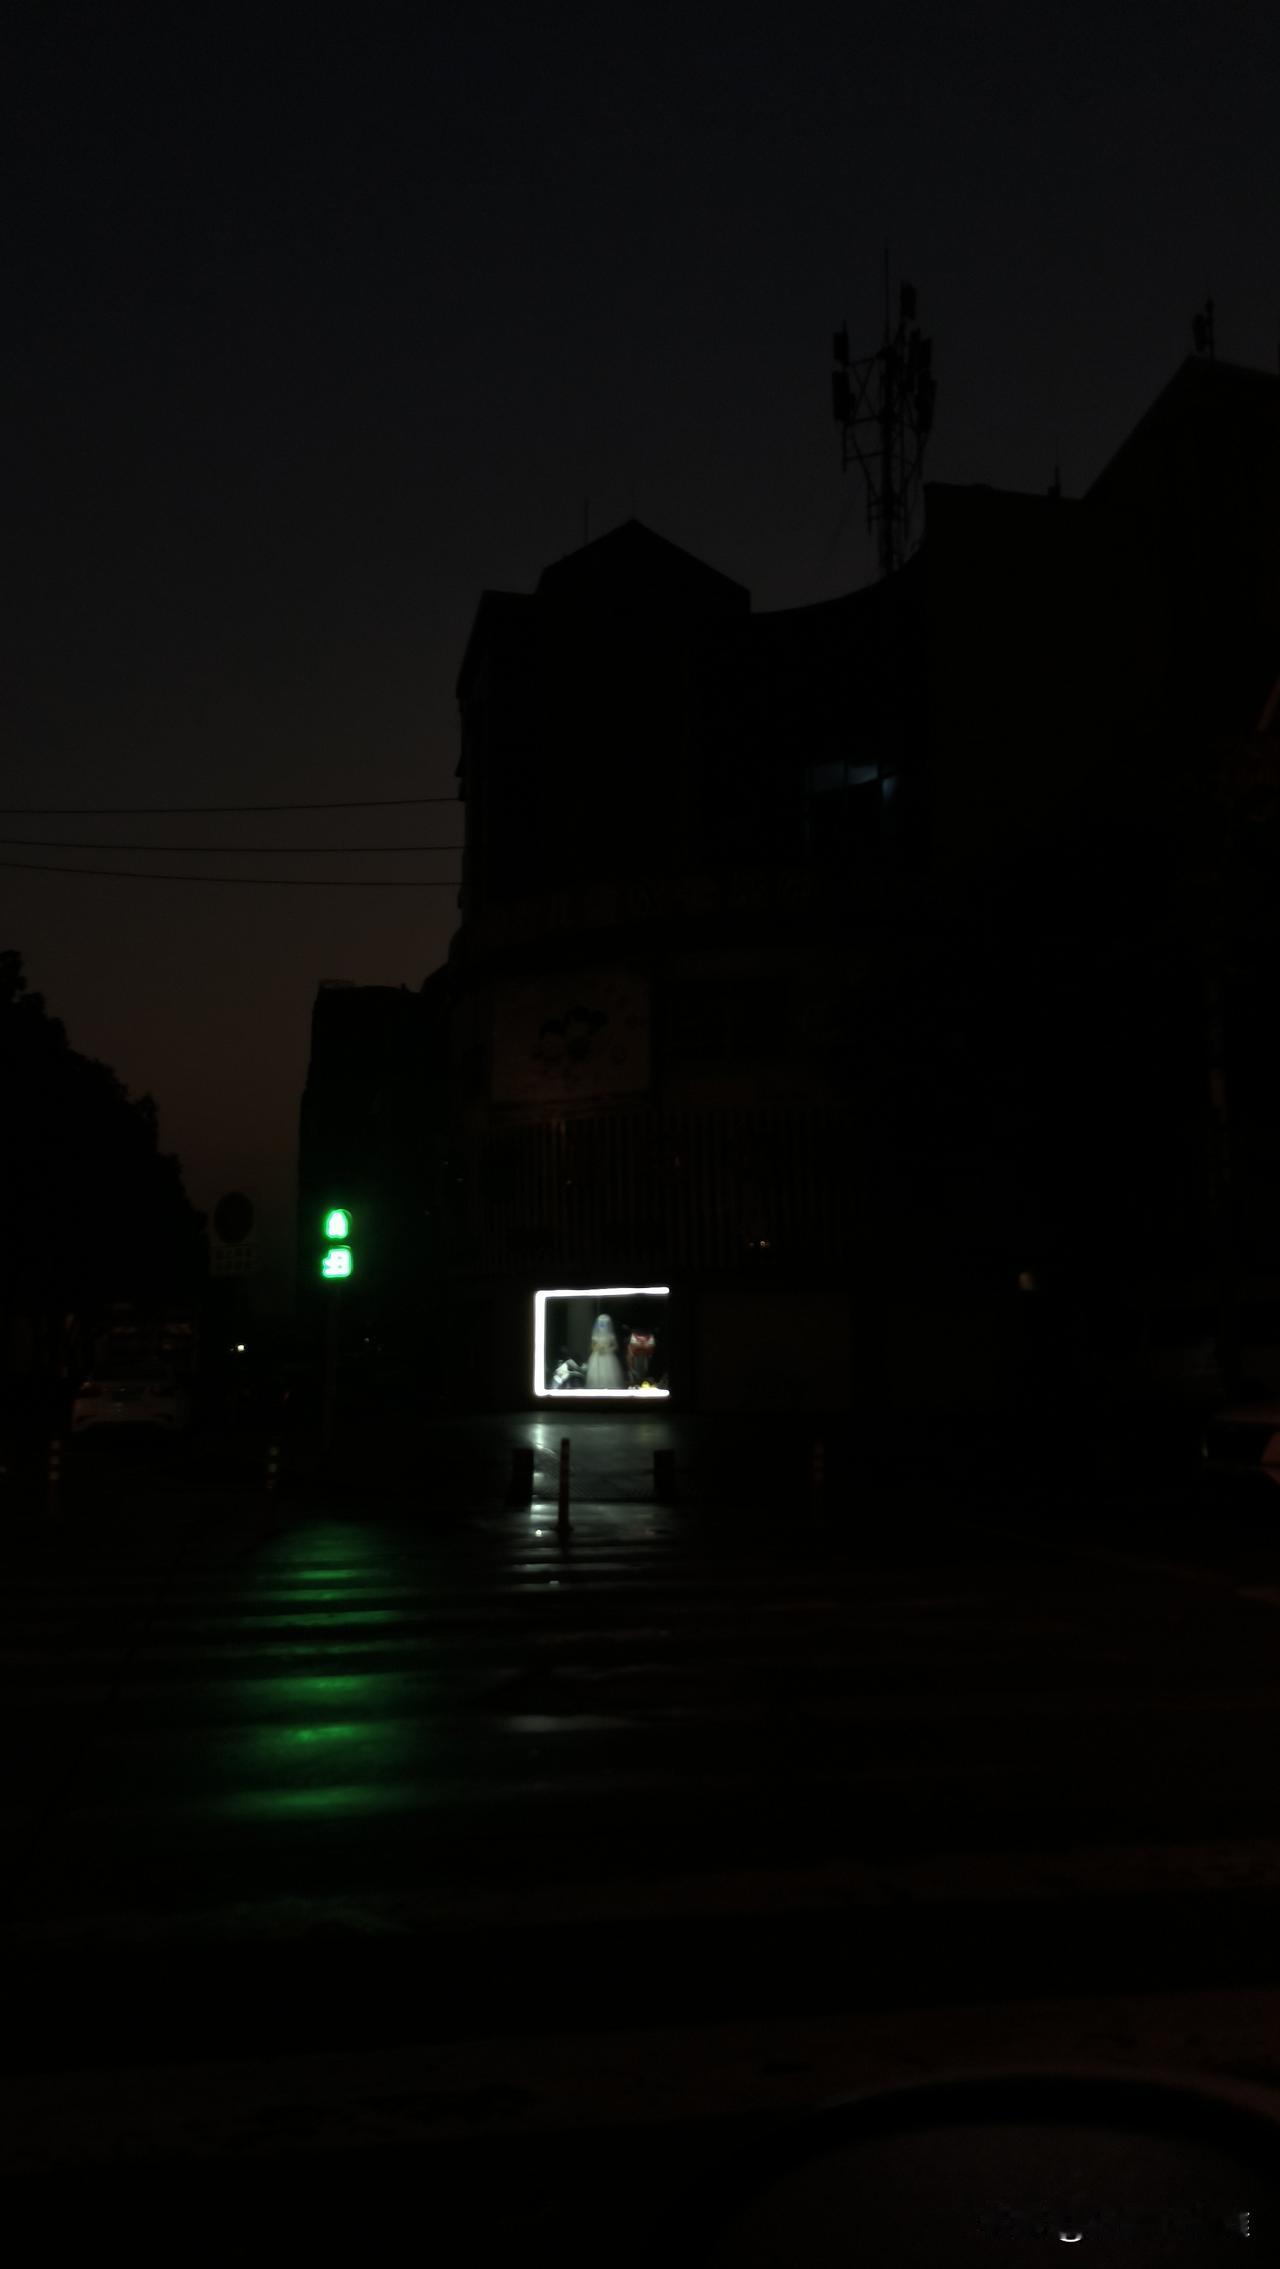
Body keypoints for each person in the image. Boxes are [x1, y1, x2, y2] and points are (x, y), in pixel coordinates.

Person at [584, 1313, 625, 1388]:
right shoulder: (595, 1335)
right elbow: (592, 1346)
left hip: (609, 1356)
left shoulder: (611, 1335)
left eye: (605, 1323)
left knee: (610, 1373)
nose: (602, 1325)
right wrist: (598, 1348)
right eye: (601, 1323)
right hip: (597, 1357)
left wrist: (608, 1349)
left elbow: (615, 1346)